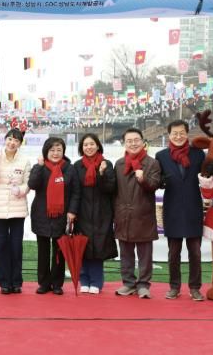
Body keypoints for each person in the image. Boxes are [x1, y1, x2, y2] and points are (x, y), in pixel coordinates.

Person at [155, 120, 205, 301]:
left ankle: (195, 288)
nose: (178, 136)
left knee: (195, 253)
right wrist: (161, 182)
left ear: (187, 133)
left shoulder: (198, 154)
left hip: (193, 208)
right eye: (174, 133)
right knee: (173, 253)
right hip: (172, 209)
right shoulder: (161, 156)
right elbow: (156, 180)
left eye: (181, 132)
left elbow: (206, 178)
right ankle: (174, 287)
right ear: (169, 135)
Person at [28, 137, 80, 295]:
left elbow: (76, 192)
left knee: (59, 251)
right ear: (46, 152)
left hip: (62, 216)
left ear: (63, 151)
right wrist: (39, 166)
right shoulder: (40, 167)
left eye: (59, 150)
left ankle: (57, 284)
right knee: (43, 251)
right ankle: (44, 283)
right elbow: (32, 184)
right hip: (41, 215)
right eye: (52, 150)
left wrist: (72, 211)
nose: (55, 153)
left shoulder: (69, 168)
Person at [114, 128, 161, 299]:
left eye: (136, 140)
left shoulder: (152, 163)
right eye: (129, 141)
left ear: (143, 142)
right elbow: (114, 190)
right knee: (125, 253)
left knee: (145, 254)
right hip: (123, 215)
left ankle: (143, 285)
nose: (133, 143)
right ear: (124, 144)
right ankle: (128, 283)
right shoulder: (119, 164)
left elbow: (155, 185)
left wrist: (143, 179)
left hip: (143, 215)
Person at [0, 128, 31, 294]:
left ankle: (16, 282)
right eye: (10, 139)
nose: (12, 143)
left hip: (18, 208)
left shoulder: (25, 160)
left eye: (16, 140)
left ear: (20, 143)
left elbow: (28, 183)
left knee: (16, 246)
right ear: (5, 140)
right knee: (2, 245)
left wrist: (20, 190)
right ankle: (4, 282)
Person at [72, 134, 117, 295]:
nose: (89, 147)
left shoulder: (106, 164)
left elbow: (110, 188)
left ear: (98, 146)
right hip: (82, 213)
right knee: (83, 247)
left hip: (102, 213)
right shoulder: (77, 166)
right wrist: (72, 211)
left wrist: (102, 174)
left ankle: (97, 282)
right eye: (85, 145)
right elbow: (75, 191)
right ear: (81, 148)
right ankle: (84, 280)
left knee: (98, 248)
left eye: (92, 144)